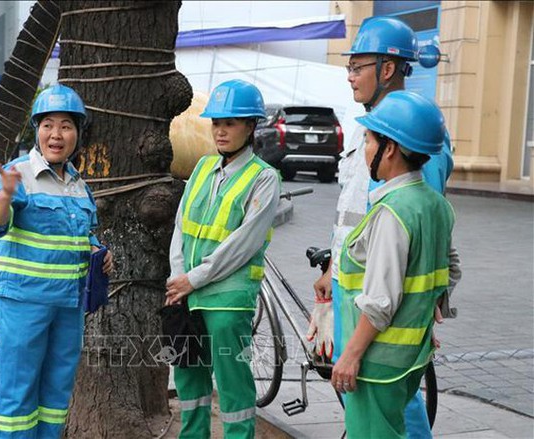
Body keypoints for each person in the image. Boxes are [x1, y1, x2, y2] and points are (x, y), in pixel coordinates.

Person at [306, 16, 460, 439]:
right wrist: (333, 270)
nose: (350, 78)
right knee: (367, 401)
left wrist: (429, 303)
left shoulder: (410, 135)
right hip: (356, 284)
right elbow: (357, 215)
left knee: (393, 402)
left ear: (387, 68)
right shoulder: (371, 128)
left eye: (357, 67)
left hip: (383, 301)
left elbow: (417, 225)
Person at [0, 84, 113, 438]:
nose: (57, 134)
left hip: (68, 307)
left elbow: (83, 235)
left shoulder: (78, 185)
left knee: (55, 396)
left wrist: (99, 253)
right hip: (25, 304)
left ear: (77, 134)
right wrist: (5, 194)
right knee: (17, 397)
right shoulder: (17, 174)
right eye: (48, 125)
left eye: (66, 126)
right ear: (37, 130)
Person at [331, 90, 458, 439]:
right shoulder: (435, 205)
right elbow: (449, 270)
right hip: (409, 357)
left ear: (390, 149)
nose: (366, 148)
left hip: (376, 361)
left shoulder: (392, 213)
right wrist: (424, 314)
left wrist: (350, 356)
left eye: (370, 139)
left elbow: (380, 301)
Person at [166, 79, 280, 438]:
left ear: (250, 126)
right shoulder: (201, 168)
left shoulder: (263, 178)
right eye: (217, 123)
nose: (220, 131)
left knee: (233, 386)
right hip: (187, 293)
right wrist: (178, 276)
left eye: (230, 123)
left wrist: (192, 279)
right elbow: (181, 226)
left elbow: (243, 244)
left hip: (228, 299)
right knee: (189, 381)